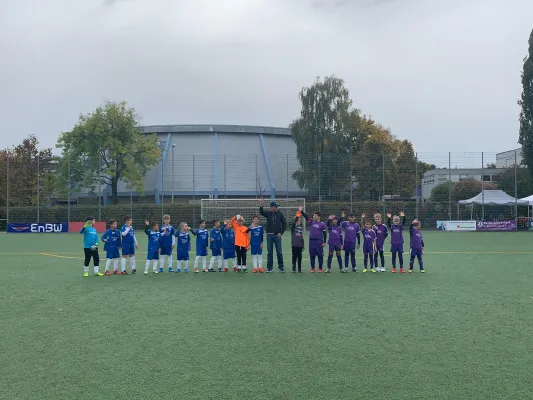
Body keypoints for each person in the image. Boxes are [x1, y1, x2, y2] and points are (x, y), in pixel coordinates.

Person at [259, 199, 287, 273]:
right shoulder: (268, 213)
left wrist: (281, 233)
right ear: (272, 207)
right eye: (276, 206)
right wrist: (261, 205)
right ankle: (269, 268)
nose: (277, 208)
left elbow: (284, 223)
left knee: (279, 251)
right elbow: (261, 212)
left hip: (277, 236)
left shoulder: (280, 214)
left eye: (277, 206)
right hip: (269, 235)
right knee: (270, 252)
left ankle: (281, 267)